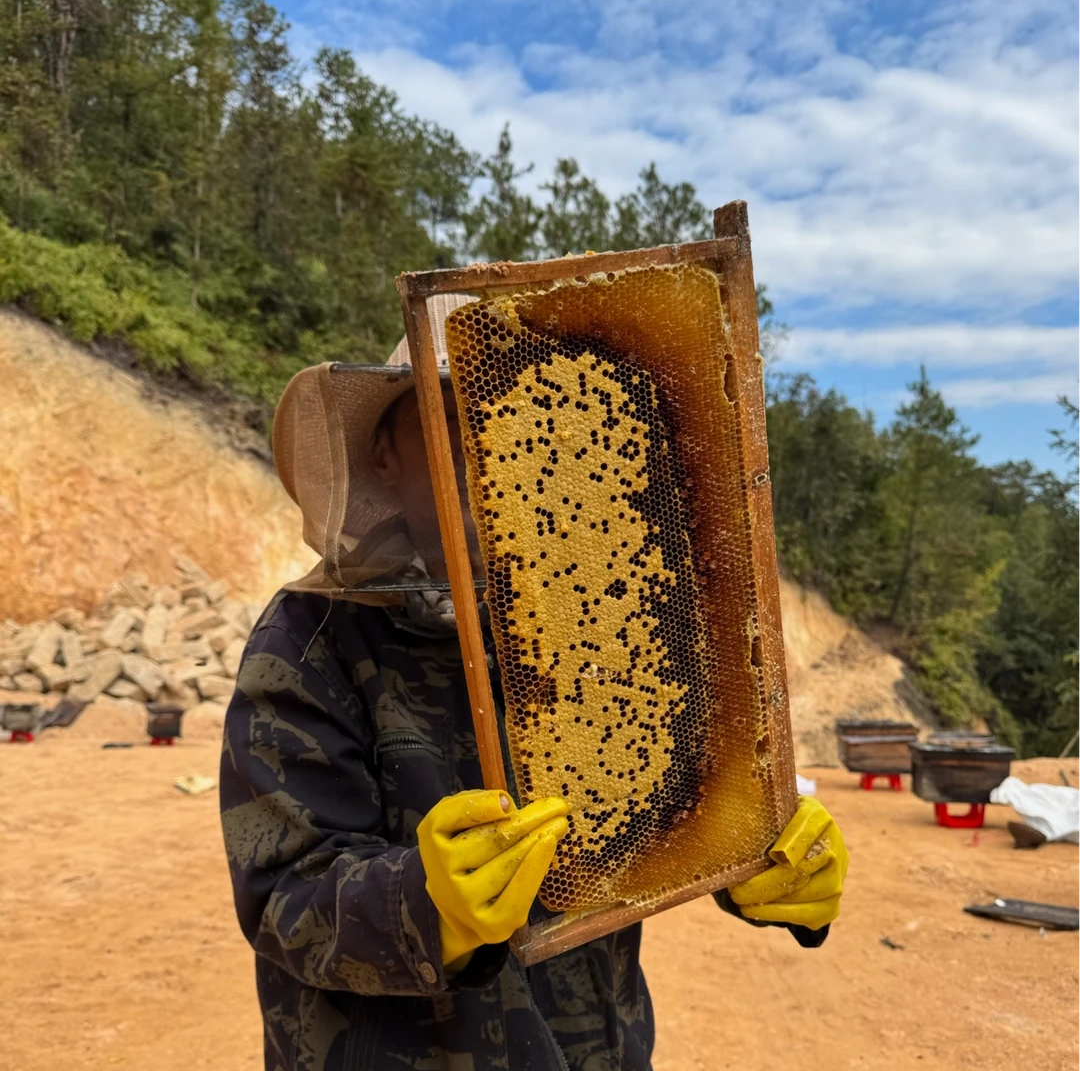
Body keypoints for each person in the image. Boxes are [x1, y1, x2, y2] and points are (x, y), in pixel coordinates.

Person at [219, 293, 849, 1071]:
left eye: (513, 415)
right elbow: (282, 893)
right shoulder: (311, 638)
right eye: (454, 420)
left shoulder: (601, 615)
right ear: (383, 454)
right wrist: (422, 903)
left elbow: (670, 803)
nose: (490, 450)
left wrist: (765, 856)